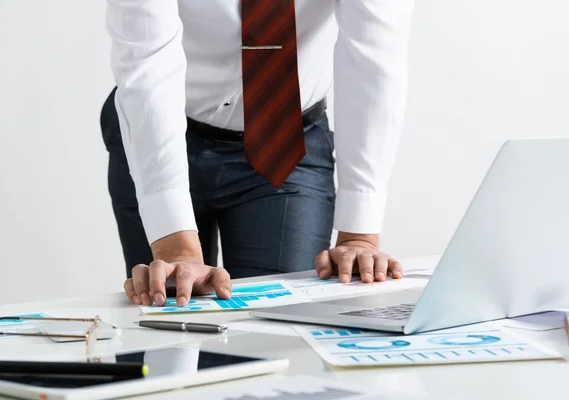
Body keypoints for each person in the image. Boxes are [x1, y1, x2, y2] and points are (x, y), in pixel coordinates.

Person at [101, 0, 414, 308]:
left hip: (284, 141)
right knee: (168, 310)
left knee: (278, 328)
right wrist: (175, 248)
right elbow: (147, 61)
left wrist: (358, 237)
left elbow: (375, 54)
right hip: (158, 133)